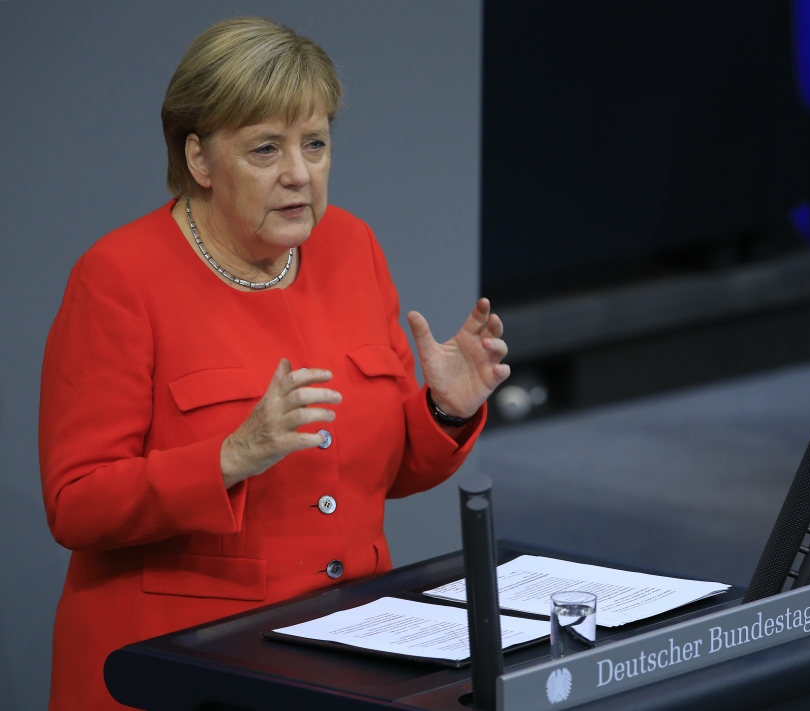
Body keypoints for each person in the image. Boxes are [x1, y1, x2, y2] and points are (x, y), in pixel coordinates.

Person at [38, 17, 508, 711]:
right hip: (181, 669)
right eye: (266, 148)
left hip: (347, 649)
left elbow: (375, 472)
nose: (299, 173)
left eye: (314, 144)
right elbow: (75, 504)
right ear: (199, 159)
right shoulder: (118, 278)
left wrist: (444, 409)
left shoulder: (352, 247)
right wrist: (229, 456)